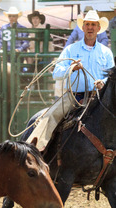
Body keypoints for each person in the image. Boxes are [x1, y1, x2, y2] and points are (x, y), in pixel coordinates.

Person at [27, 10, 114, 151]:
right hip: (74, 96)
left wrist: (103, 82)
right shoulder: (70, 50)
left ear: (98, 28)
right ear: (83, 27)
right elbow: (56, 73)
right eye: (87, 24)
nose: (90, 27)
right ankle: (34, 150)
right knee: (51, 115)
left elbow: (110, 75)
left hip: (100, 98)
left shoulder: (106, 52)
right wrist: (72, 68)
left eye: (93, 24)